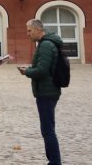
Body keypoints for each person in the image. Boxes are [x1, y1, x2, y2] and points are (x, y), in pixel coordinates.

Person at [18, 19, 63, 165]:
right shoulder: (47, 43)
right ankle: (53, 160)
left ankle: (55, 161)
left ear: (38, 30)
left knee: (47, 129)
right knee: (48, 127)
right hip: (48, 90)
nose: (28, 34)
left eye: (29, 31)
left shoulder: (45, 45)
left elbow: (42, 70)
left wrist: (27, 72)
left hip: (46, 91)